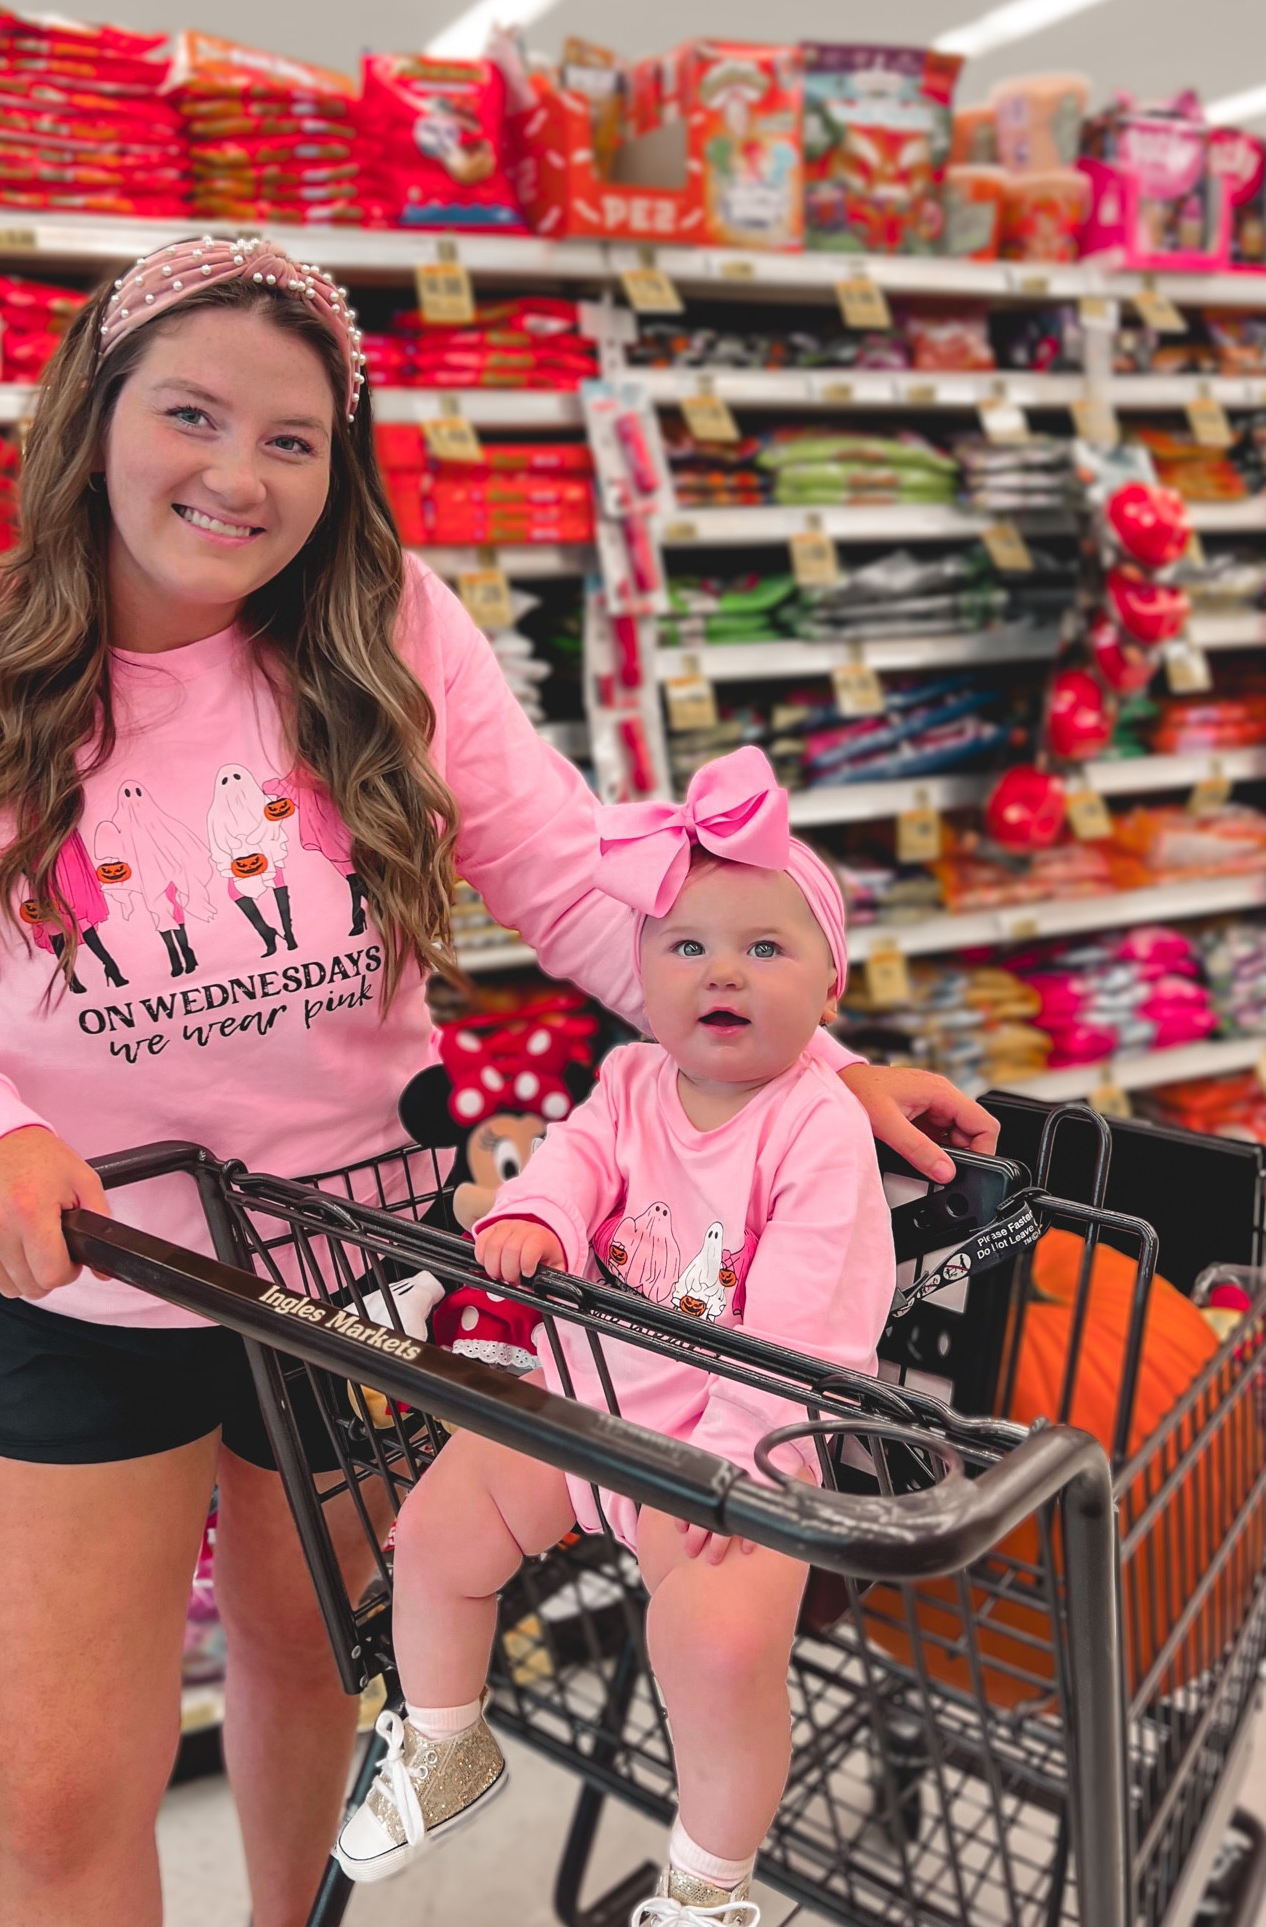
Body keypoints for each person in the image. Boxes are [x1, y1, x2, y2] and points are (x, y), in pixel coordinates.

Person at [0, 235, 997, 1927]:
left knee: (317, 1667)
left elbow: (570, 877)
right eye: (191, 414)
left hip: (361, 1267)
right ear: (91, 413)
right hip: (83, 1284)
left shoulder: (385, 625)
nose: (239, 476)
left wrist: (817, 1069)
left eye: (293, 439)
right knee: (63, 1787)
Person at [336, 749, 894, 1923]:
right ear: (640, 971)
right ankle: (442, 1734)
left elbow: (807, 1330)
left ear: (831, 989)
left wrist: (735, 1475)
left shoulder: (818, 1127)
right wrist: (538, 1213)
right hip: (586, 1407)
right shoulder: (633, 1077)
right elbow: (576, 1157)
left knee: (715, 1646)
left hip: (739, 1450)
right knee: (433, 1530)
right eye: (686, 946)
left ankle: (709, 1880)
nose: (721, 971)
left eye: (765, 948)